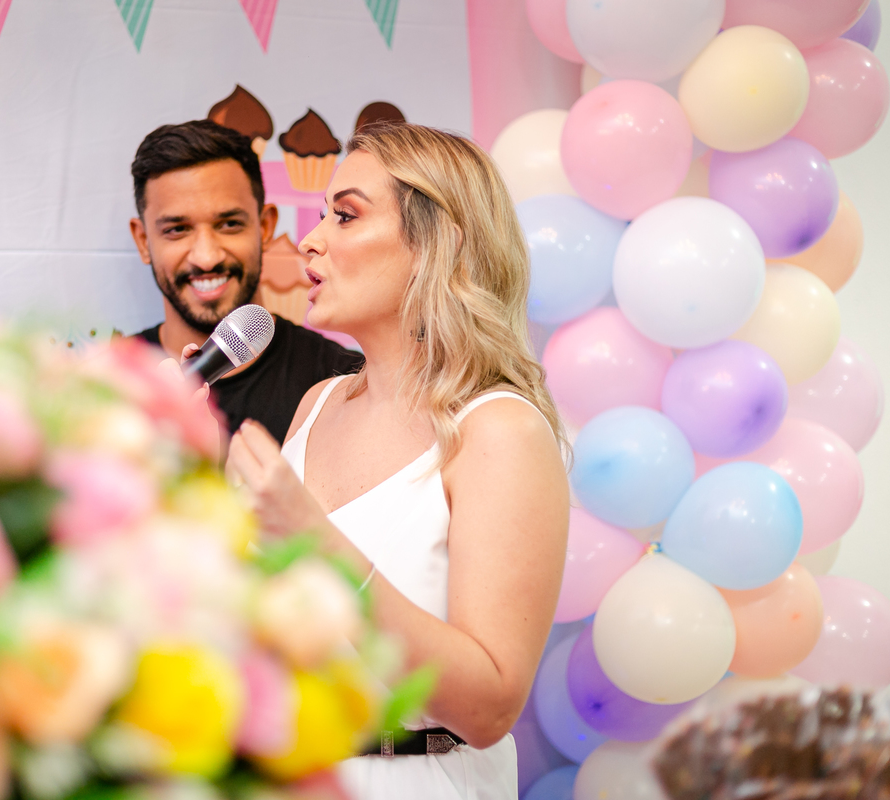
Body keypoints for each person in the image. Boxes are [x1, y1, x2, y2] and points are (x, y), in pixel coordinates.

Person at [225, 123, 570, 799]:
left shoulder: (499, 430)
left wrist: (316, 542)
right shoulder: (317, 404)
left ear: (440, 243)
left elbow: (489, 709)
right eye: (321, 216)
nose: (311, 241)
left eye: (346, 216)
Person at [128, 120, 363, 443]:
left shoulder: (348, 383)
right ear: (143, 241)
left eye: (229, 224)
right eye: (177, 230)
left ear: (265, 227)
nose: (207, 257)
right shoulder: (101, 386)